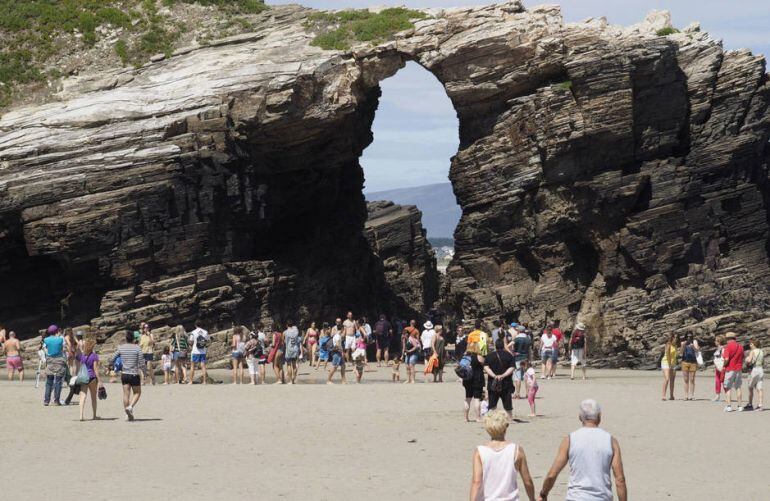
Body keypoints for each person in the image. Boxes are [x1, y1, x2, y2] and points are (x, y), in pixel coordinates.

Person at [539, 399, 627, 501]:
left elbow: (552, 474)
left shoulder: (570, 440)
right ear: (599, 416)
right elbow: (620, 479)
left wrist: (543, 493)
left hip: (576, 497)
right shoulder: (611, 441)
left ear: (580, 417)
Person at [469, 410, 536, 501]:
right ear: (505, 427)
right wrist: (532, 499)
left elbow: (476, 482)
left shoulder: (480, 451)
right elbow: (527, 481)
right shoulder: (516, 450)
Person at [111, 331, 145, 421]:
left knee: (126, 394)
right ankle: (130, 407)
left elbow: (112, 358)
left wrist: (114, 366)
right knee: (137, 392)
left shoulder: (121, 348)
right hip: (134, 374)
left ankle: (127, 415)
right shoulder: (137, 348)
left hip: (124, 374)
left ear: (126, 338)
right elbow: (142, 363)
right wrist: (145, 373)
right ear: (133, 339)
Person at [484, 338, 516, 420]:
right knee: (507, 403)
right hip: (506, 383)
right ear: (503, 346)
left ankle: (491, 419)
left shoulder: (490, 356)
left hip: (493, 383)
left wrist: (494, 376)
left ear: (495, 346)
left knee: (492, 404)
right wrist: (503, 375)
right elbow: (512, 367)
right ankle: (510, 419)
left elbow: (486, 368)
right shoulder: (509, 355)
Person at [78, 338, 102, 421]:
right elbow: (95, 369)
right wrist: (99, 380)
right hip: (92, 378)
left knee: (82, 396)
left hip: (84, 377)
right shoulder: (94, 356)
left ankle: (81, 415)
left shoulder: (83, 356)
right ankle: (94, 415)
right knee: (93, 397)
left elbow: (81, 366)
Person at [462, 342, 486, 422]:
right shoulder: (479, 357)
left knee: (467, 398)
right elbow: (484, 364)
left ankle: (465, 418)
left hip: (467, 379)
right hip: (477, 379)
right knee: (477, 399)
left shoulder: (465, 357)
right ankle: (478, 417)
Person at [43, 325, 66, 406]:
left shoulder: (46, 339)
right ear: (56, 331)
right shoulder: (60, 339)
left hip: (49, 361)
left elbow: (45, 349)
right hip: (59, 360)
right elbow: (63, 349)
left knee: (49, 381)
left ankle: (46, 400)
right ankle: (56, 400)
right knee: (58, 382)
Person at [721, 332, 744, 412]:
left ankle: (729, 406)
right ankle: (740, 406)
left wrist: (723, 365)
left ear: (728, 339)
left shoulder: (727, 347)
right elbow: (742, 358)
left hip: (730, 369)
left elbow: (726, 359)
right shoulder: (740, 347)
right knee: (738, 387)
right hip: (739, 369)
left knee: (728, 387)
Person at [510, 324, 531, 399]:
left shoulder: (517, 339)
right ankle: (528, 393)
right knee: (526, 376)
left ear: (518, 331)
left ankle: (517, 394)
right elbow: (529, 350)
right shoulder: (528, 338)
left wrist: (512, 352)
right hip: (526, 358)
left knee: (517, 377)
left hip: (518, 358)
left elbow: (509, 345)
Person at [188, 320, 210, 385]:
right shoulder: (205, 332)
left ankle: (191, 381)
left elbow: (191, 342)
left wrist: (189, 343)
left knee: (192, 366)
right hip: (203, 351)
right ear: (201, 325)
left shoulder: (193, 332)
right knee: (203, 366)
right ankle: (205, 381)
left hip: (195, 351)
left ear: (195, 325)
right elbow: (208, 341)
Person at [745, 339, 763, 411]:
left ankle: (750, 404)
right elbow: (763, 362)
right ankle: (760, 405)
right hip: (761, 370)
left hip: (754, 370)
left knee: (750, 387)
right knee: (759, 388)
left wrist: (746, 359)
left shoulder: (752, 351)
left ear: (754, 344)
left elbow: (749, 360)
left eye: (751, 344)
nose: (750, 345)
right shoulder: (761, 351)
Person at [680, 333, 700, 400]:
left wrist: (693, 347)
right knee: (686, 379)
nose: (689, 338)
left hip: (693, 362)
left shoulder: (694, 342)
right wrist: (683, 346)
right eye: (687, 337)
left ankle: (692, 395)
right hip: (685, 362)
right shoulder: (683, 343)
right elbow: (681, 352)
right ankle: (686, 395)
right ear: (685, 337)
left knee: (692, 379)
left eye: (690, 337)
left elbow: (697, 350)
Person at [660, 333, 677, 401]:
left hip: (673, 363)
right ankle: (663, 396)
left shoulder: (675, 345)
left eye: (677, 337)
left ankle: (671, 395)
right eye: (675, 337)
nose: (676, 339)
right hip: (666, 362)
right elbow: (667, 355)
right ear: (672, 338)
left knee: (672, 380)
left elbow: (675, 356)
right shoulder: (668, 344)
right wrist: (670, 364)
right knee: (667, 379)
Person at [283, 320, 301, 384]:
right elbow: (295, 327)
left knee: (288, 365)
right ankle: (293, 379)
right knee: (294, 365)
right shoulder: (296, 331)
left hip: (288, 350)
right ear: (292, 325)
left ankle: (290, 380)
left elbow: (283, 342)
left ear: (286, 325)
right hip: (295, 350)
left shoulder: (285, 332)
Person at [712, 335, 726, 402]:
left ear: (719, 341)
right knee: (717, 381)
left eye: (716, 340)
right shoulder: (718, 349)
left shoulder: (723, 349)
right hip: (718, 367)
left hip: (722, 367)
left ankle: (726, 395)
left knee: (723, 381)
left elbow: (724, 358)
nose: (715, 342)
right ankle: (717, 395)